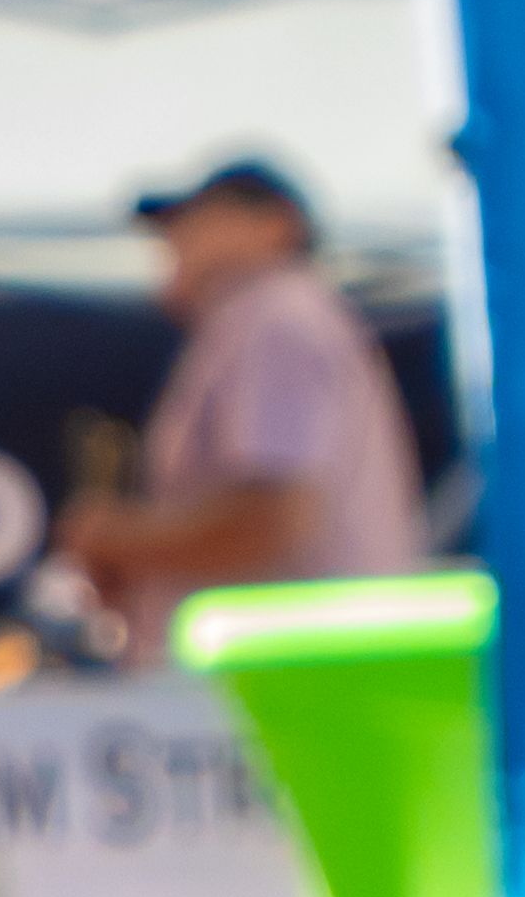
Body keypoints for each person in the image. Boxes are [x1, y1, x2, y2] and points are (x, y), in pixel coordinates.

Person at [59, 154, 427, 656]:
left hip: (290, 688)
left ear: (276, 225)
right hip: (293, 683)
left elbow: (273, 519)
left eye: (203, 214)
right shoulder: (264, 319)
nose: (176, 235)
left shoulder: (275, 313)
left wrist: (117, 538)